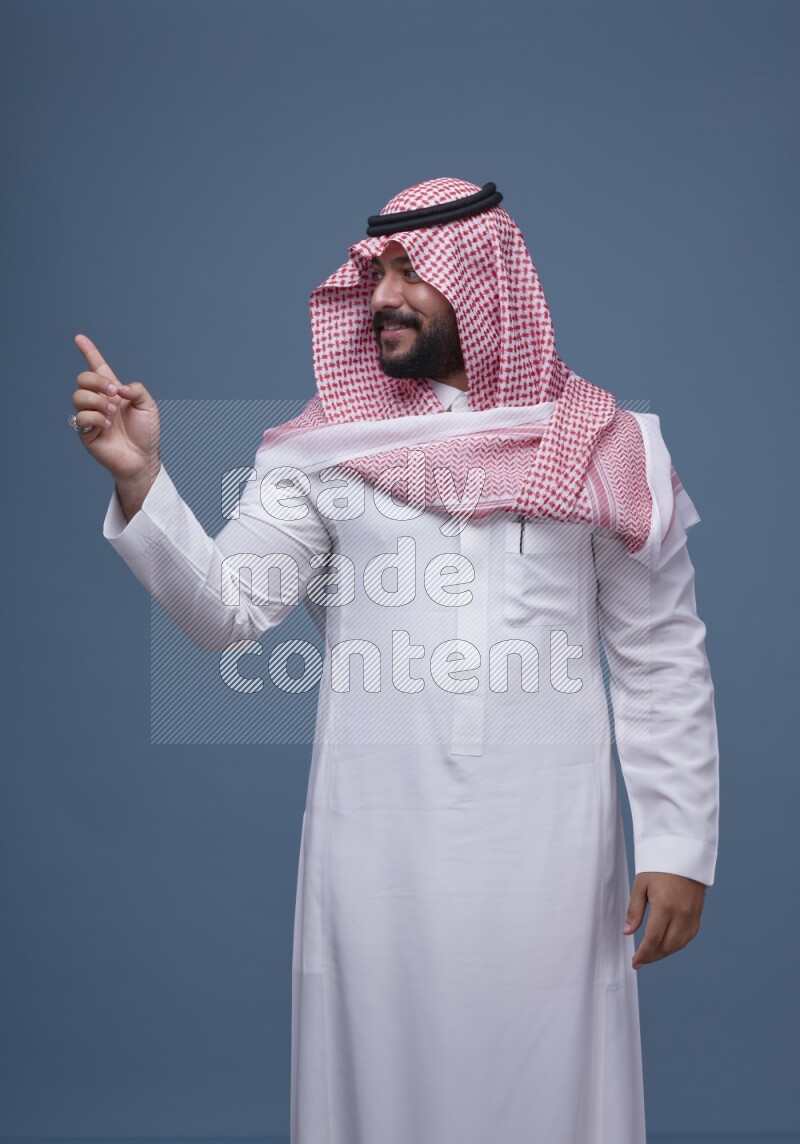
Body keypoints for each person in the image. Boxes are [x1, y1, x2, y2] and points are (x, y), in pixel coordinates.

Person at [69, 177, 719, 1144]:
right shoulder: (324, 450)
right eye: (375, 271)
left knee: (550, 1088)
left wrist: (677, 844)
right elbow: (229, 611)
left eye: (412, 271)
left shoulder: (604, 447)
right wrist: (143, 480)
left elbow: (660, 654)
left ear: (488, 280)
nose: (381, 294)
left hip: (550, 849)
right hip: (378, 851)